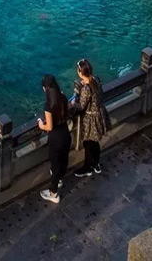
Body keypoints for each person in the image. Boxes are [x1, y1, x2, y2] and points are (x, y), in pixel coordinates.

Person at [70, 59, 110, 177]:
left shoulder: (86, 89)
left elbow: (81, 106)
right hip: (99, 115)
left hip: (90, 119)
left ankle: (87, 168)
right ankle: (96, 164)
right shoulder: (96, 79)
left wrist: (73, 104)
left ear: (80, 73)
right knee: (95, 141)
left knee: (87, 143)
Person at [38, 74, 71, 204]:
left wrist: (41, 125)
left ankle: (53, 193)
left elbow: (49, 127)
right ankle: (60, 180)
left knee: (55, 166)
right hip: (65, 133)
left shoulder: (49, 105)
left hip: (56, 139)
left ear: (45, 89)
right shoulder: (63, 97)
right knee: (63, 160)